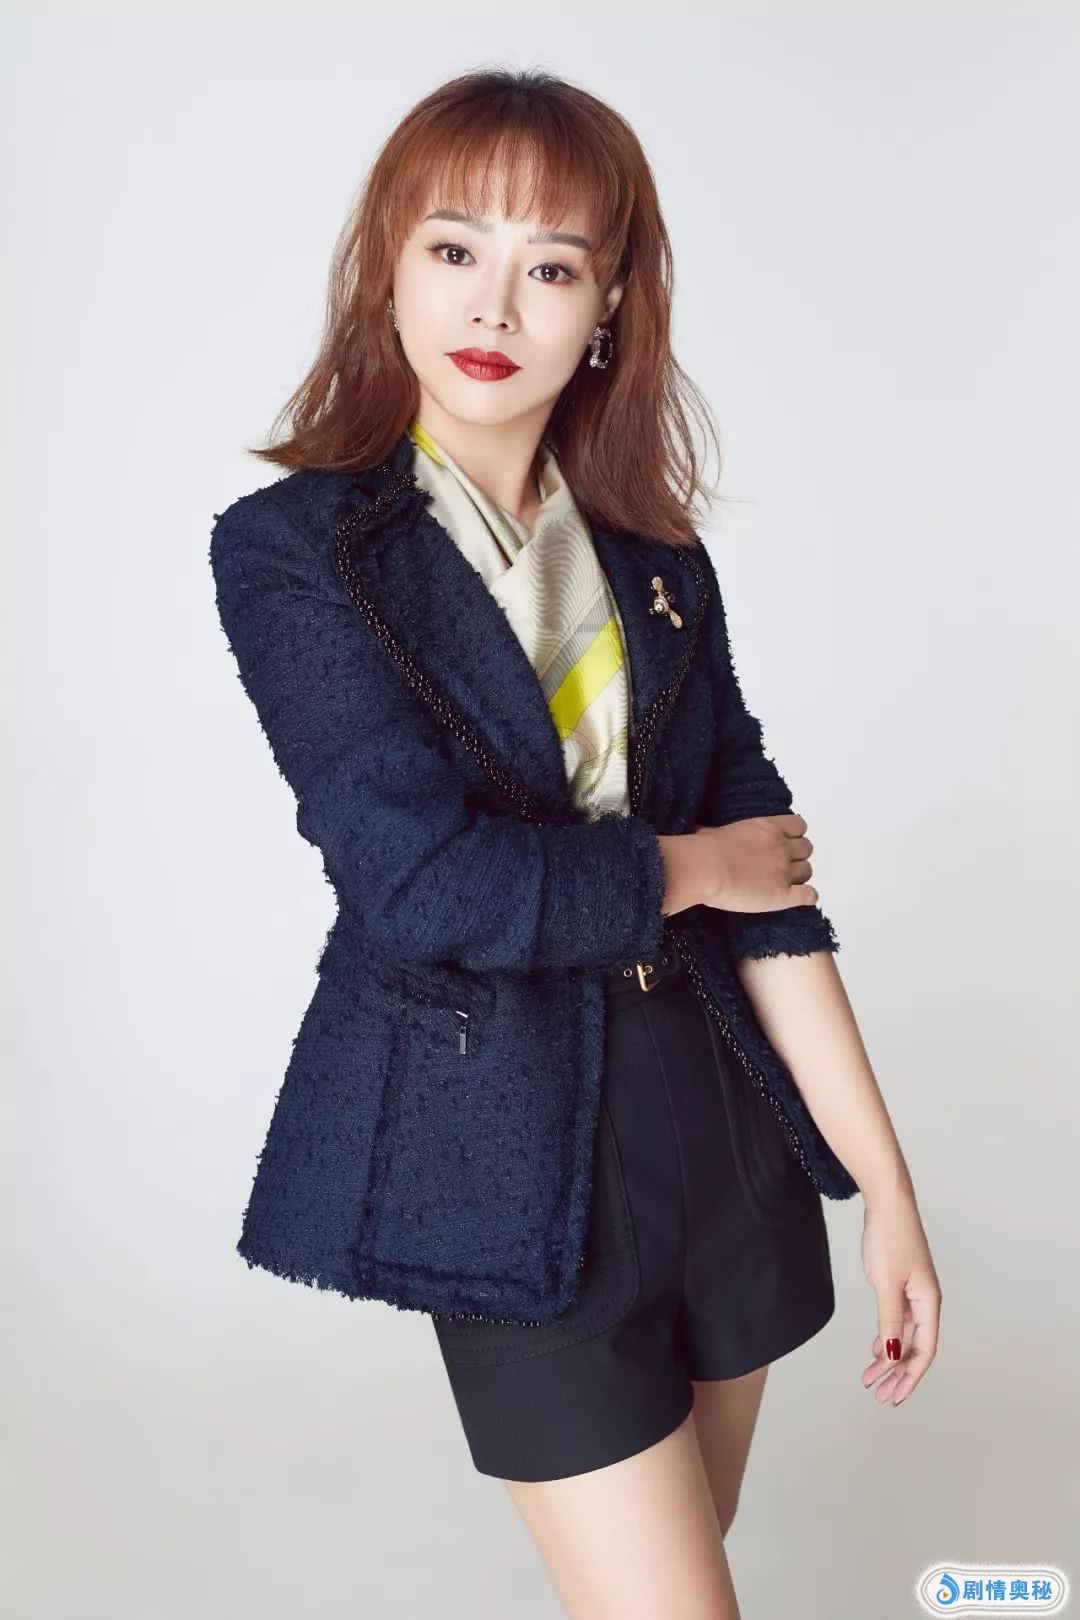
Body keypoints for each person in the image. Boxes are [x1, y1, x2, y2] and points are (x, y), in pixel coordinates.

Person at [210, 66, 942, 1620]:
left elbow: (778, 895)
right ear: (388, 265)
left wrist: (888, 1188)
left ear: (608, 305)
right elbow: (426, 885)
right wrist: (696, 867)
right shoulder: (299, 552)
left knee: (683, 1574)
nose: (496, 303)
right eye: (454, 248)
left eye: (552, 267)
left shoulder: (655, 555)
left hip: (722, 1132)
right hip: (504, 1159)